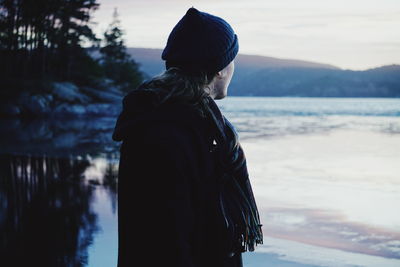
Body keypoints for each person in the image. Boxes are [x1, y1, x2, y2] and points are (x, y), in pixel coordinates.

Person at [112, 7, 262, 267]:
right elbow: (166, 242)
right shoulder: (168, 134)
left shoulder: (200, 129)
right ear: (219, 69)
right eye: (232, 59)